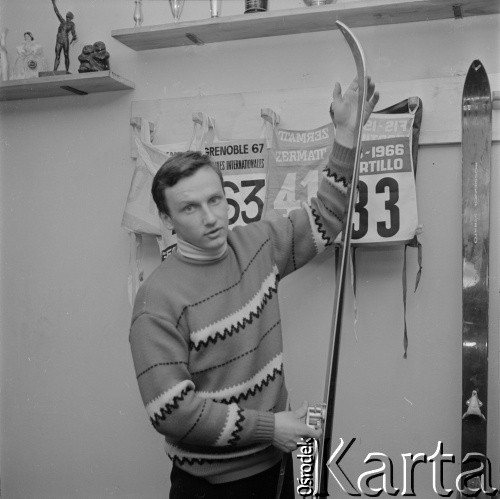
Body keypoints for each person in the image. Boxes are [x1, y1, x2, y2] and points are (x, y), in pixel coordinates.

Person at [129, 77, 379, 498]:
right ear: (167, 220)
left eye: (216, 199)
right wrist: (270, 428)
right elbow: (173, 413)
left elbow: (327, 217)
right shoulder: (156, 301)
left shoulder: (257, 244)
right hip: (212, 486)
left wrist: (347, 135)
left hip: (283, 462)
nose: (211, 217)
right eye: (190, 207)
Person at [51, 0, 77, 72]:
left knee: (66, 55)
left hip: (65, 40)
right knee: (57, 56)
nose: (67, 18)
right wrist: (53, 3)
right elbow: (57, 12)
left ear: (71, 18)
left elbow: (73, 33)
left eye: (69, 17)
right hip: (59, 40)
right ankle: (54, 71)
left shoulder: (72, 24)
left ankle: (67, 70)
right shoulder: (62, 21)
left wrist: (74, 37)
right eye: (67, 17)